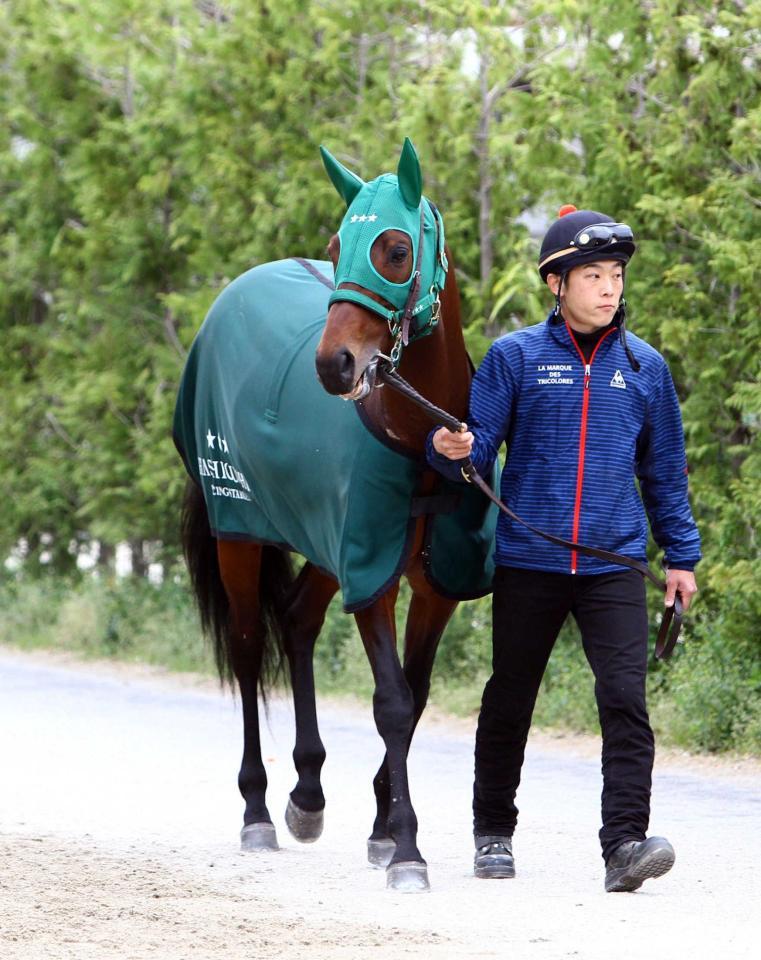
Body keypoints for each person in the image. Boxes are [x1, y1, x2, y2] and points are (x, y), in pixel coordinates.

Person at [426, 205, 701, 892]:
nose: (608, 288)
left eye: (614, 275)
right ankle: (492, 831)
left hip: (612, 564)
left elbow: (664, 470)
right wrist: (452, 450)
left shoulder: (645, 369)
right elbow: (475, 453)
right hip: (530, 562)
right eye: (591, 275)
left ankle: (624, 847)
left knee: (623, 700)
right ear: (557, 282)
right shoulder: (514, 358)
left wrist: (681, 557)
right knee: (509, 698)